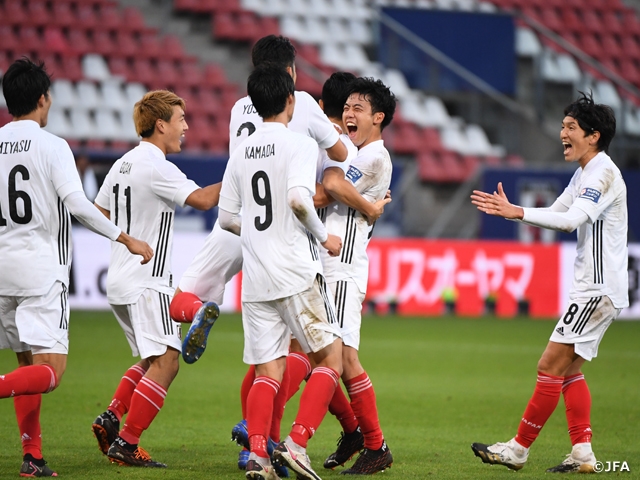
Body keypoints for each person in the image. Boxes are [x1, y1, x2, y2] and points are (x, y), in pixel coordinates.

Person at [0, 57, 153, 478]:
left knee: (26, 369)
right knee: (49, 373)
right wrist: (125, 237)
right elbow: (78, 205)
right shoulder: (52, 146)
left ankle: (32, 457)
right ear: (43, 99)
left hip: (2, 271)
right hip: (40, 271)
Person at [470, 92, 628, 473]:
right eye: (562, 125)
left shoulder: (602, 173)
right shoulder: (584, 173)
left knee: (548, 366)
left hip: (596, 289)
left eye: (571, 127)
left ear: (593, 136)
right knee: (570, 370)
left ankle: (518, 449)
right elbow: (557, 211)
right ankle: (583, 454)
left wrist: (518, 211)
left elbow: (571, 221)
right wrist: (514, 214)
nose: (562, 133)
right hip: (597, 289)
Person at [218, 63, 343, 480]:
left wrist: (257, 229)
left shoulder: (241, 152)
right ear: (291, 101)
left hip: (255, 277)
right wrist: (323, 235)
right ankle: (297, 444)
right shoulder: (299, 145)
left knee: (267, 371)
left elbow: (226, 218)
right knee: (330, 359)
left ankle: (258, 457)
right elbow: (298, 200)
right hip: (294, 268)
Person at [90, 90, 221, 468]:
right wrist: (241, 177)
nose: (186, 127)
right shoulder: (156, 164)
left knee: (151, 360)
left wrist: (126, 238)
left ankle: (113, 416)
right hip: (146, 282)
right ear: (161, 124)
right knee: (168, 362)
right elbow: (202, 200)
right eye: (181, 119)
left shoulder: (122, 163)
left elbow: (98, 211)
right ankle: (127, 444)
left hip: (119, 279)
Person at [315, 77, 396, 474]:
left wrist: (289, 194)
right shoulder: (356, 153)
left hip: (342, 267)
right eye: (346, 107)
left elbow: (325, 192)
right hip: (326, 264)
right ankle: (356, 434)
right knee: (320, 355)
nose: (348, 113)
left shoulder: (373, 158)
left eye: (358, 108)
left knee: (343, 357)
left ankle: (374, 444)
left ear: (378, 118)